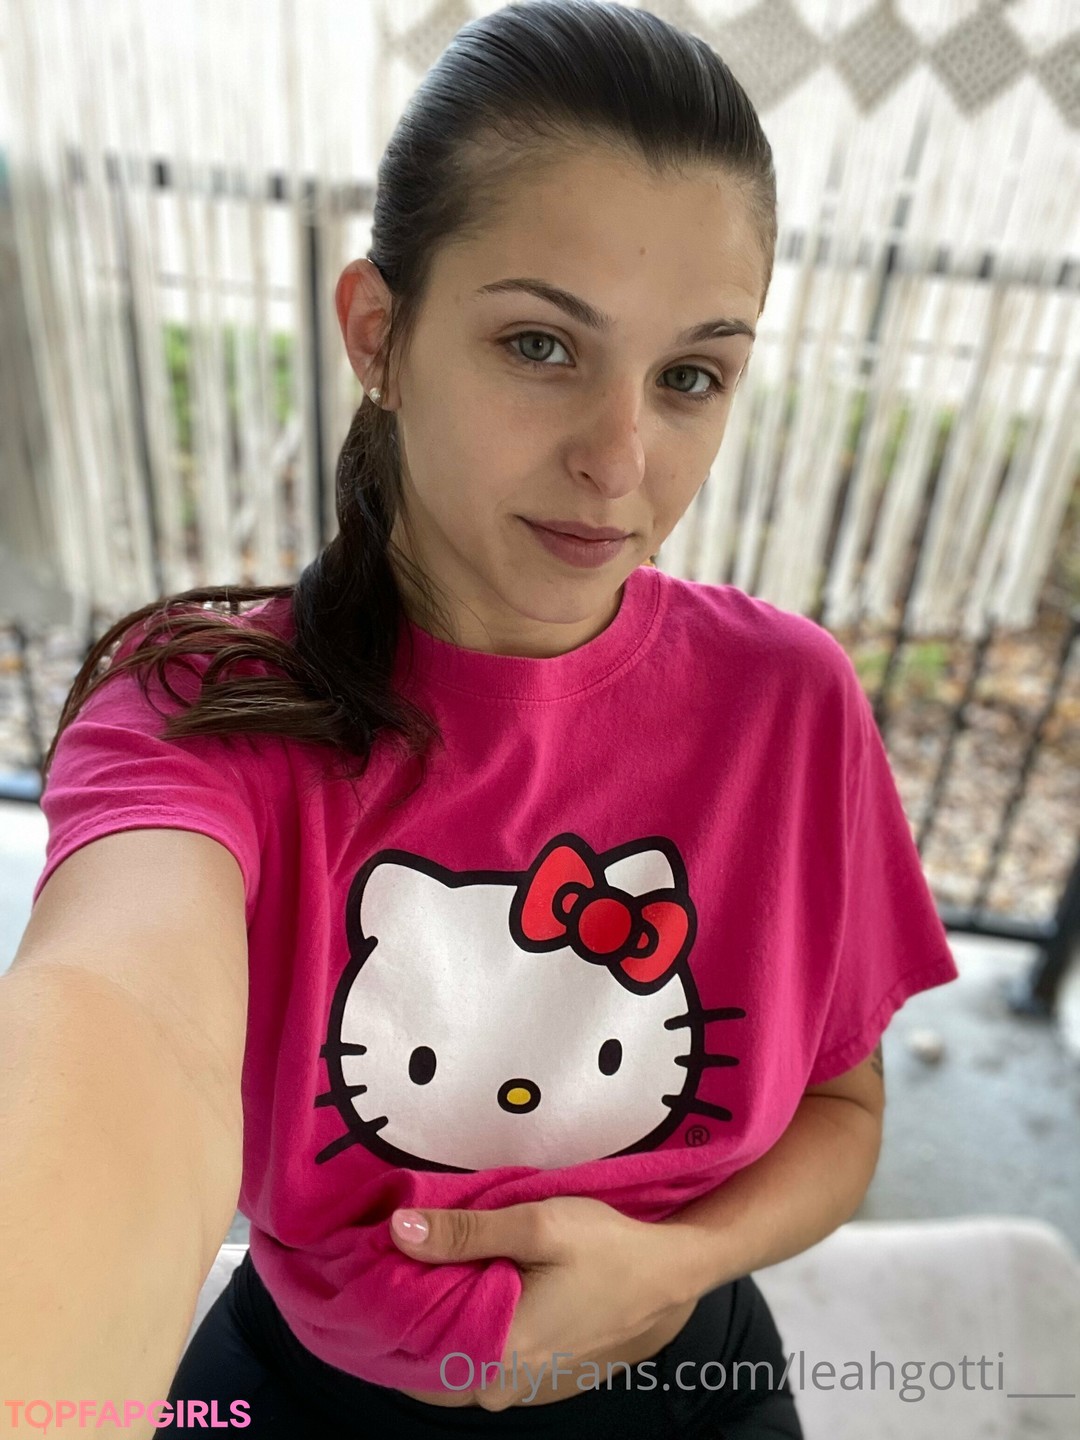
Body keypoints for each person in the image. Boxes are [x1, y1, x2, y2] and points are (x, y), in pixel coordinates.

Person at [4, 1, 960, 1437]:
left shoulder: (790, 702)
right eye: (539, 344)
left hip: (693, 1383)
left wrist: (675, 1264)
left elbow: (843, 1111)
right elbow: (120, 1032)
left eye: (689, 376)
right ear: (379, 335)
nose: (619, 460)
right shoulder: (205, 711)